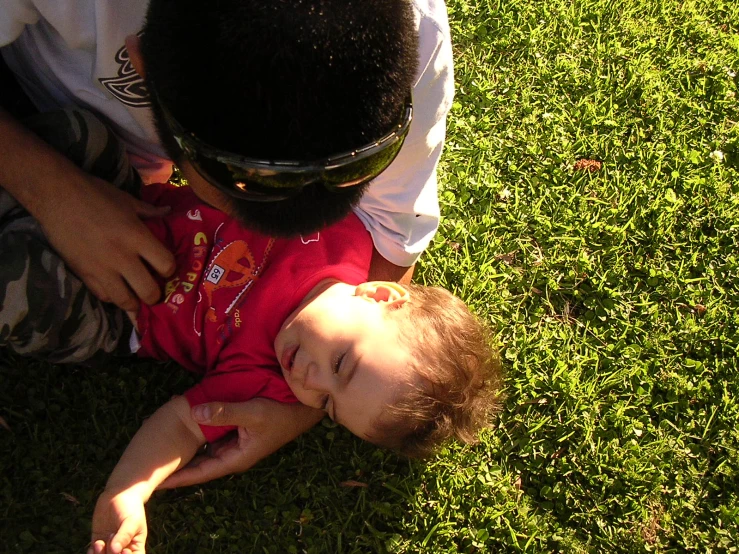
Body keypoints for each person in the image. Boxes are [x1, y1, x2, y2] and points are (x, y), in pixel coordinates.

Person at [0, 0, 455, 485]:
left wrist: (301, 409)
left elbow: (394, 232)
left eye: (353, 169)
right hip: (64, 133)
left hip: (124, 297)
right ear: (139, 67)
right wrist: (52, 188)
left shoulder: (413, 28)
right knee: (77, 137)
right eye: (243, 185)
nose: (310, 383)